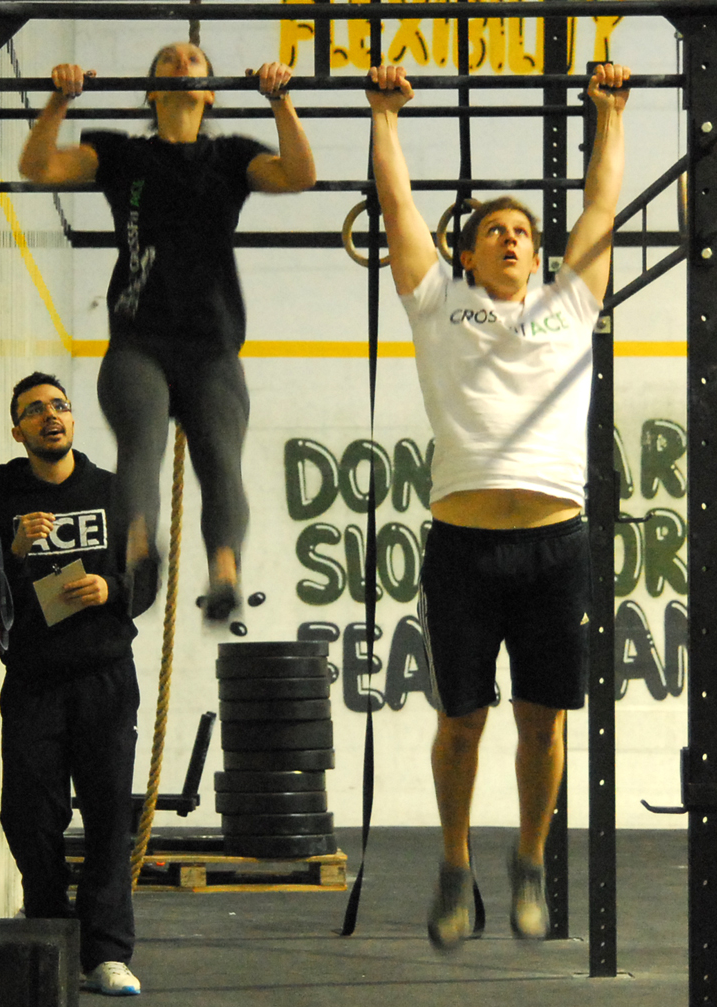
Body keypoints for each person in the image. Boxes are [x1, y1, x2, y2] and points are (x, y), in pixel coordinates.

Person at [365, 62, 629, 949]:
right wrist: (385, 116)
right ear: (468, 254)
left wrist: (611, 112)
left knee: (543, 721)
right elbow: (398, 206)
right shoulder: (438, 303)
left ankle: (528, 858)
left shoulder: (569, 304)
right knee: (461, 723)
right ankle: (454, 864)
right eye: (494, 231)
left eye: (522, 231)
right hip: (464, 550)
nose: (511, 239)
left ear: (537, 253)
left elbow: (601, 204)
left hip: (557, 545)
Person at [18, 43, 316, 623]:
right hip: (139, 340)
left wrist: (280, 100)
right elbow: (39, 167)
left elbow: (299, 174)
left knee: (221, 462)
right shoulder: (120, 154)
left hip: (213, 345)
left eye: (194, 60)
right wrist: (60, 99)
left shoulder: (231, 156)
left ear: (211, 94)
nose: (182, 62)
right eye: (169, 60)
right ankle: (137, 551)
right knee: (142, 445)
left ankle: (224, 573)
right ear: (152, 90)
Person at [0, 372, 156, 997]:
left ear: (72, 419)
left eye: (58, 406)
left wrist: (111, 588)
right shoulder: (2, 494)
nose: (50, 416)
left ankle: (107, 954)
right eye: (34, 411)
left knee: (109, 818)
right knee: (28, 815)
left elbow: (148, 574)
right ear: (18, 432)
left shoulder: (114, 493)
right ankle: (51, 929)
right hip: (33, 679)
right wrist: (14, 547)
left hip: (103, 677)